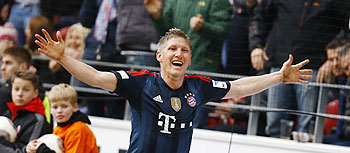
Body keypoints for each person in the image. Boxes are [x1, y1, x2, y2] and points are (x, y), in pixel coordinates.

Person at [35, 27, 312, 152]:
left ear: (189, 59)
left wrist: (278, 77)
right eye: (172, 49)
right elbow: (96, 77)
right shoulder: (141, 81)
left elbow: (238, 86)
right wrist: (63, 58)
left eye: (184, 50)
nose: (178, 54)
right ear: (160, 56)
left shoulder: (197, 87)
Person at [249, 0, 350, 138]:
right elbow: (259, 17)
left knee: (308, 130)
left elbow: (346, 30)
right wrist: (256, 46)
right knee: (274, 128)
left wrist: (333, 58)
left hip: (313, 70)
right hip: (279, 68)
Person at [26, 83, 98, 153]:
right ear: (50, 109)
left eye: (64, 106)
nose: (59, 111)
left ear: (75, 107)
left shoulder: (78, 129)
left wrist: (42, 150)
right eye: (55, 107)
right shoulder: (59, 128)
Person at [0, 70, 51, 152]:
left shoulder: (37, 119)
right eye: (16, 89)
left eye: (26, 90)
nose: (20, 94)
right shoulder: (7, 113)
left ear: (35, 93)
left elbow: (29, 150)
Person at [0, 46, 32, 115]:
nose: (2, 67)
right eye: (2, 63)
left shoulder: (3, 92)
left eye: (8, 63)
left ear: (23, 67)